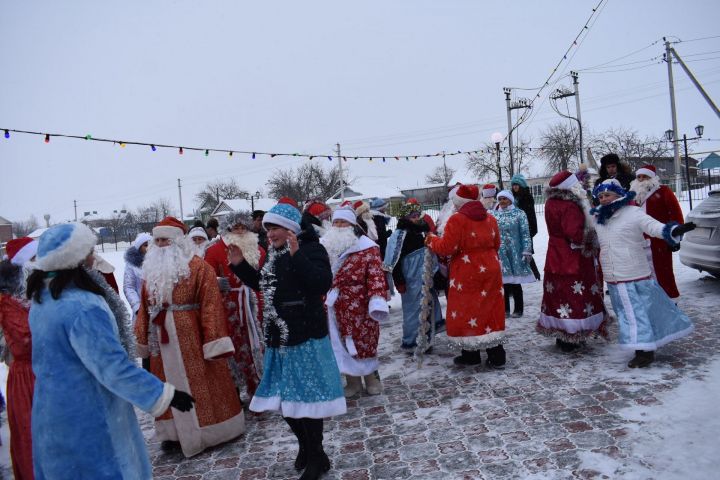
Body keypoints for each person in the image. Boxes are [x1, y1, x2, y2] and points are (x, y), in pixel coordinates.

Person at [27, 223, 194, 479]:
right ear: (75, 258)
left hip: (51, 412)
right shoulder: (83, 307)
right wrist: (163, 394)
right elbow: (112, 367)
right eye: (89, 250)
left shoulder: (42, 300)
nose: (94, 255)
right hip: (90, 416)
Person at [228, 201, 345, 480]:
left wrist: (297, 255)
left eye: (275, 228)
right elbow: (264, 285)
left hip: (305, 335)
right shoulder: (273, 253)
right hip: (278, 336)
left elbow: (321, 284)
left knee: (308, 399)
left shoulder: (311, 249)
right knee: (285, 401)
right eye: (268, 228)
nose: (270, 234)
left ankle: (317, 456)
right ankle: (305, 446)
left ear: (291, 229)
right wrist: (240, 266)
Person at [135, 216, 244, 457]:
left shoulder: (198, 267)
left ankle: (213, 431)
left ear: (177, 241)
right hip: (161, 341)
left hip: (192, 340)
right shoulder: (149, 272)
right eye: (158, 240)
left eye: (166, 239)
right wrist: (142, 338)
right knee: (166, 385)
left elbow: (211, 305)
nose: (161, 244)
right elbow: (143, 307)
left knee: (201, 383)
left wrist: (213, 341)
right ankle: (172, 434)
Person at [591, 180, 696, 368]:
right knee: (627, 314)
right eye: (600, 196)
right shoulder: (599, 218)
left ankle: (644, 352)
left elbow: (652, 226)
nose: (604, 199)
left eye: (607, 195)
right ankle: (644, 344)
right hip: (613, 276)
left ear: (618, 195)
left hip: (633, 273)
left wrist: (671, 230)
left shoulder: (633, 213)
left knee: (637, 314)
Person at [426, 185, 507, 368]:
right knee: (490, 308)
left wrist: (431, 239)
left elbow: (447, 247)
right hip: (491, 268)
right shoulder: (490, 217)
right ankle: (497, 355)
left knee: (467, 309)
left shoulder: (457, 220)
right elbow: (497, 243)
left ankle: (471, 355)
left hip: (467, 271)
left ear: (458, 202)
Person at [536, 171, 608, 352]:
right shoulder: (570, 205)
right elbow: (575, 234)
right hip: (573, 258)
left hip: (555, 255)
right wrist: (592, 238)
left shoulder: (550, 202)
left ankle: (562, 335)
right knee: (574, 295)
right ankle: (573, 336)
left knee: (558, 294)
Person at [321, 207, 388, 397]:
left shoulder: (368, 248)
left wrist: (376, 300)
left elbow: (376, 276)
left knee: (364, 341)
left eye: (344, 222)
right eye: (336, 222)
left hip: (360, 304)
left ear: (353, 225)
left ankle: (372, 379)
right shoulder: (326, 246)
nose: (340, 226)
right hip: (336, 305)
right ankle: (352, 381)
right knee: (341, 342)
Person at [203, 211, 265, 399]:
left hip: (253, 305)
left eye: (243, 227)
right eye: (235, 227)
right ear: (227, 229)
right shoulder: (214, 250)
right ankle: (233, 394)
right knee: (231, 350)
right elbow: (206, 277)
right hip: (227, 307)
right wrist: (217, 281)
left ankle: (258, 390)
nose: (239, 231)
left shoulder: (259, 249)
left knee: (255, 345)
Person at [0, 237, 37, 480]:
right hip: (26, 377)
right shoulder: (7, 303)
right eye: (35, 259)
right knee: (31, 434)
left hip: (43, 372)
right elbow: (25, 342)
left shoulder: (33, 296)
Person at [383, 200, 442, 352]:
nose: (416, 218)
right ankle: (411, 341)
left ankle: (426, 339)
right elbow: (393, 260)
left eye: (417, 215)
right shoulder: (399, 235)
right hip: (410, 278)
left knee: (427, 306)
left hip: (426, 275)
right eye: (412, 216)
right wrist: (399, 281)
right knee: (413, 310)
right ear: (405, 218)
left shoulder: (423, 230)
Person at [630, 164, 685, 300]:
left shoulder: (664, 191)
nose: (642, 179)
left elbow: (676, 214)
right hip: (639, 242)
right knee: (644, 274)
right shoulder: (633, 195)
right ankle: (651, 300)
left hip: (659, 240)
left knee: (663, 272)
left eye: (645, 176)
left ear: (653, 178)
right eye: (639, 177)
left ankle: (670, 299)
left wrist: (675, 237)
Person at [490, 190, 536, 317]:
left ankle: (518, 309)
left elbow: (525, 233)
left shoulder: (519, 214)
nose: (502, 201)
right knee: (503, 281)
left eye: (505, 199)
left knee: (516, 281)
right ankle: (505, 310)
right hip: (501, 252)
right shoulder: (494, 215)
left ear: (510, 199)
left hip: (515, 251)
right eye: (500, 199)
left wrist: (527, 250)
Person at [510, 174, 541, 280]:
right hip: (516, 228)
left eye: (517, 185)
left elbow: (530, 214)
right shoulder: (513, 198)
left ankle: (536, 274)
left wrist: (530, 230)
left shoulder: (527, 197)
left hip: (527, 228)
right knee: (519, 251)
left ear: (521, 185)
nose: (515, 187)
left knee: (527, 252)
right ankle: (524, 274)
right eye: (513, 185)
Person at [123, 232, 152, 326]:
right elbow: (129, 287)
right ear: (139, 247)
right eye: (146, 245)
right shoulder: (132, 265)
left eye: (151, 244)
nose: (149, 247)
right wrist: (137, 307)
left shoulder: (159, 261)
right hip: (141, 310)